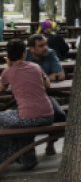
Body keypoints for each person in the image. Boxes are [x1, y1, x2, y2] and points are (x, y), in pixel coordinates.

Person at [0, 39, 54, 170]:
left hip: (29, 117)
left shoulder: (8, 72)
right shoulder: (35, 67)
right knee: (13, 121)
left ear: (8, 55)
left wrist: (9, 67)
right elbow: (48, 85)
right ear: (24, 54)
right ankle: (28, 159)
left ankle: (5, 157)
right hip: (48, 115)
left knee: (6, 120)